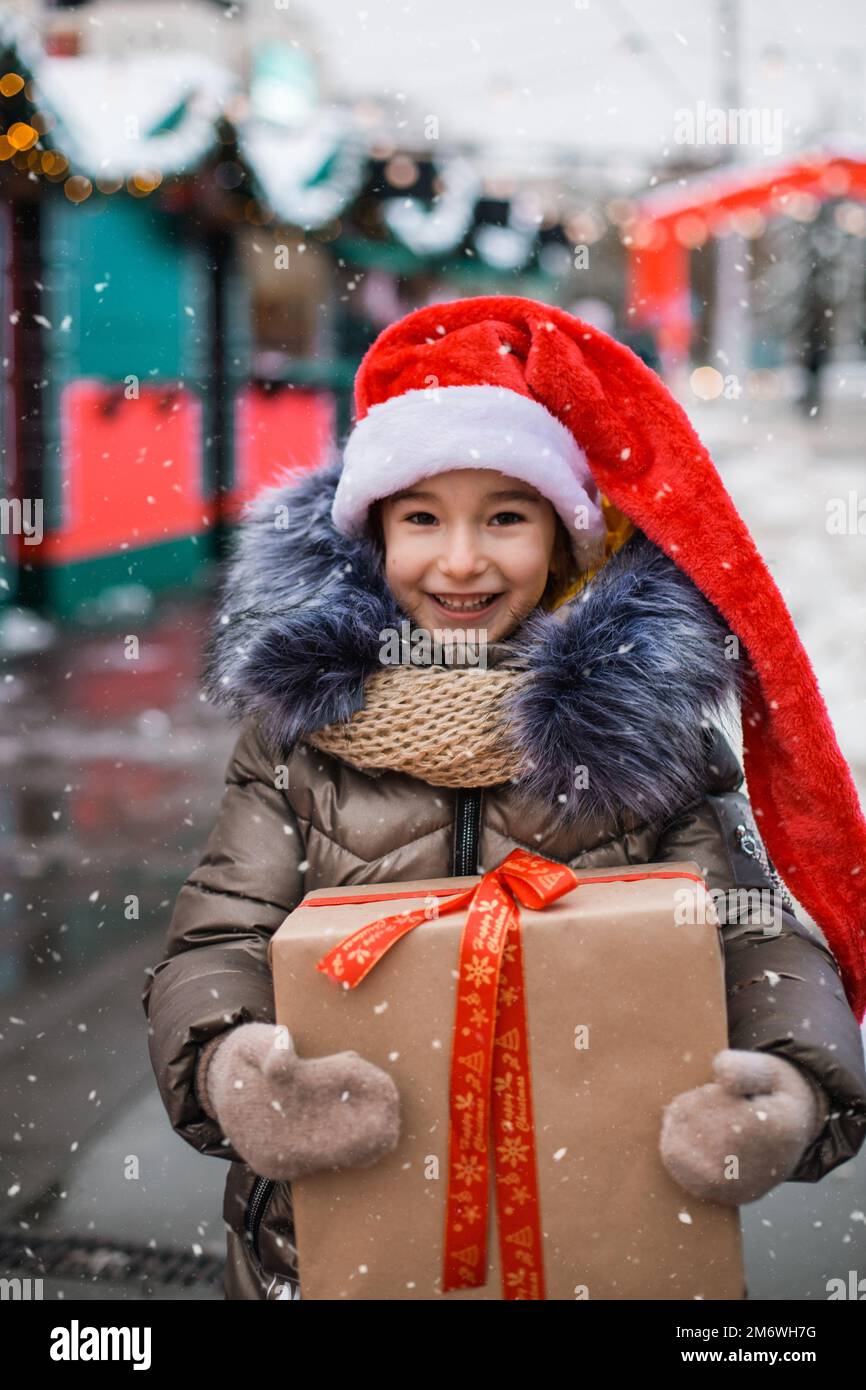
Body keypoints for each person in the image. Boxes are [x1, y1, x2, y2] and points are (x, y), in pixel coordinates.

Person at [142, 295, 866, 1301]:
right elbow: (216, 942)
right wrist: (235, 1070)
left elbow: (750, 936)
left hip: (605, 1231)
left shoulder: (643, 735)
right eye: (421, 518)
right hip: (329, 1244)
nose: (461, 560)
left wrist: (786, 1086)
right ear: (371, 537)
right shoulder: (299, 736)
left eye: (506, 518)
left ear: (565, 541)